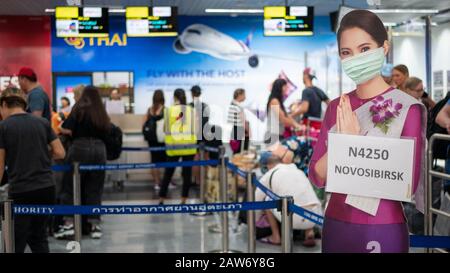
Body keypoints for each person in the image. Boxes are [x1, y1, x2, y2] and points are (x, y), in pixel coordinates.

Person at [309, 10, 426, 253]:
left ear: (384, 47)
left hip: (382, 226)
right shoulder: (336, 107)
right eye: (346, 52)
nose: (355, 58)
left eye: (364, 49)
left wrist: (352, 147)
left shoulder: (408, 109)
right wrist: (344, 141)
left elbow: (406, 183)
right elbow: (317, 176)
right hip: (336, 223)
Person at [0, 87, 65, 252]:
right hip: (46, 188)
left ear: (4, 104)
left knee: (16, 239)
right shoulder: (42, 123)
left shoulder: (3, 127)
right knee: (39, 237)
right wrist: (40, 153)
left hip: (21, 189)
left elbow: (0, 165)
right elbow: (60, 153)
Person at [55, 86, 110, 240]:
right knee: (95, 188)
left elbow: (65, 128)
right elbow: (108, 129)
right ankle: (95, 225)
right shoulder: (101, 110)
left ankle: (69, 223)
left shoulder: (79, 107)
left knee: (70, 186)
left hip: (80, 148)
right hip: (99, 150)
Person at [256, 152, 322, 247]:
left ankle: (276, 237)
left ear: (268, 166)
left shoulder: (269, 174)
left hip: (293, 218)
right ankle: (309, 233)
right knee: (304, 196)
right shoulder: (299, 171)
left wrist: (256, 220)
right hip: (314, 216)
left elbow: (257, 199)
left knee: (267, 200)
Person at [159, 89, 197, 205]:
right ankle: (184, 200)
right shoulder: (191, 110)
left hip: (173, 147)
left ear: (175, 97)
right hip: (189, 147)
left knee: (168, 173)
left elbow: (165, 129)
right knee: (187, 175)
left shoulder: (168, 111)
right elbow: (196, 129)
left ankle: (161, 199)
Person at [265, 79, 303, 145]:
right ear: (280, 87)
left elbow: (287, 116)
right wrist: (296, 126)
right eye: (285, 86)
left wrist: (297, 125)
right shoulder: (274, 101)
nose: (287, 89)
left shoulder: (279, 101)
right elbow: (283, 119)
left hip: (278, 134)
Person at [143, 90, 168, 191]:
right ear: (163, 98)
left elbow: (144, 123)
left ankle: (157, 183)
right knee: (167, 161)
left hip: (152, 139)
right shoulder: (165, 110)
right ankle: (167, 182)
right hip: (162, 139)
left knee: (154, 161)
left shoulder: (150, 110)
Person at [189, 85, 210, 185]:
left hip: (192, 137)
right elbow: (206, 122)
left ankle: (197, 180)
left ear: (192, 94)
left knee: (195, 159)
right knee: (205, 159)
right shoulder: (205, 106)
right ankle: (204, 180)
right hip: (204, 136)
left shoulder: (189, 106)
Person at [227, 88, 250, 154]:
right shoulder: (237, 106)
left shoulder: (233, 104)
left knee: (237, 150)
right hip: (239, 130)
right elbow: (243, 121)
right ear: (239, 95)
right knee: (239, 151)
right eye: (244, 95)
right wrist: (247, 131)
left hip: (236, 130)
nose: (245, 97)